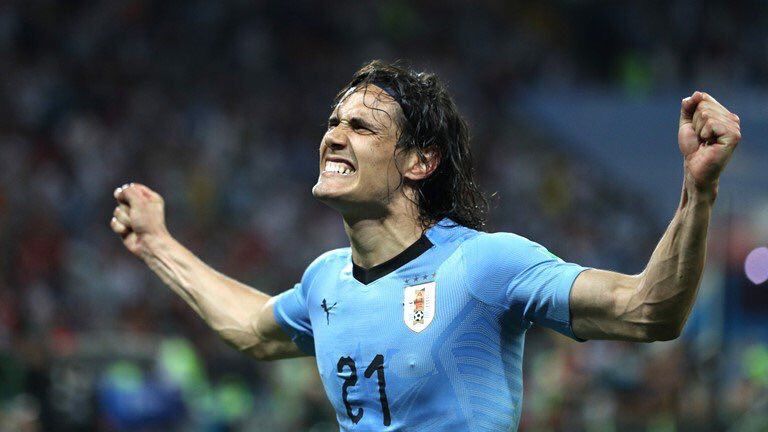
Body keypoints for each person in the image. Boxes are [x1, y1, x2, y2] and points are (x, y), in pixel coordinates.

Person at [109, 61, 741, 431]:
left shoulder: (485, 265)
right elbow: (249, 327)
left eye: (360, 126)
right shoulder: (324, 281)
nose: (334, 136)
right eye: (333, 122)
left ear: (417, 161)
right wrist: (158, 243)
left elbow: (648, 311)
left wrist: (698, 189)